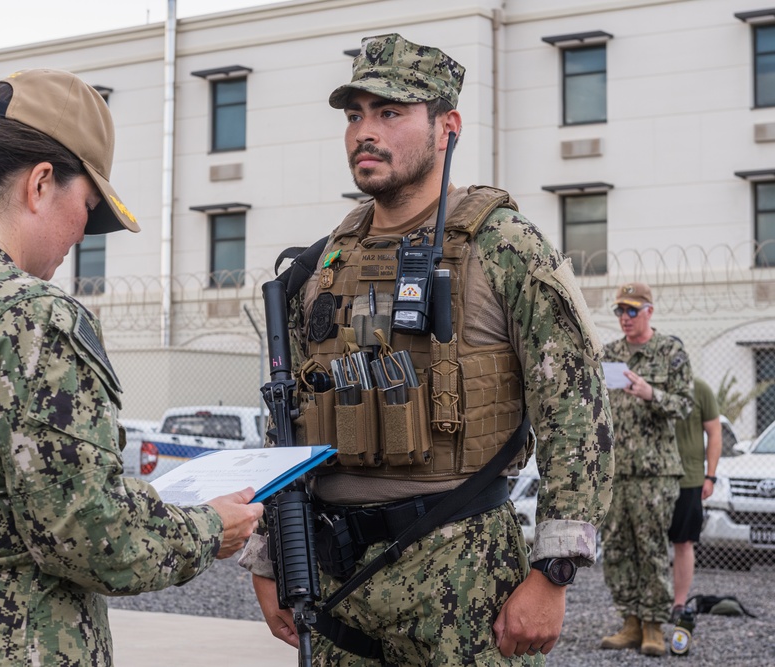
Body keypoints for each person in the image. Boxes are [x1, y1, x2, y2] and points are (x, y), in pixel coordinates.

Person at [0, 68, 263, 666]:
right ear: (40, 184)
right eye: (86, 205)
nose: (84, 231)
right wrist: (209, 528)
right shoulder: (32, 314)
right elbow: (89, 537)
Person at [239, 34, 614, 665]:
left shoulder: (505, 247)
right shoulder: (322, 261)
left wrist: (554, 572)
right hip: (340, 582)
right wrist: (272, 552)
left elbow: (576, 411)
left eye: (390, 112)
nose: (365, 131)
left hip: (463, 577)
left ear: (448, 126)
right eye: (355, 114)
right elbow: (290, 422)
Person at [600, 282, 693, 656]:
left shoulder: (670, 351)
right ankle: (630, 622)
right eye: (620, 311)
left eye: (632, 311)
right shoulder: (610, 355)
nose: (625, 317)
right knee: (618, 547)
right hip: (617, 469)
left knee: (652, 548)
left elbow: (686, 405)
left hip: (655, 472)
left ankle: (654, 625)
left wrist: (651, 394)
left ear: (649, 311)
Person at [670, 375, 722, 621]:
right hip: (650, 479)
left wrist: (710, 476)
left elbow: (714, 432)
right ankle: (647, 607)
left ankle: (679, 603)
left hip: (689, 479)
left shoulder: (700, 389)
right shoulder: (647, 386)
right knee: (647, 545)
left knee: (684, 542)